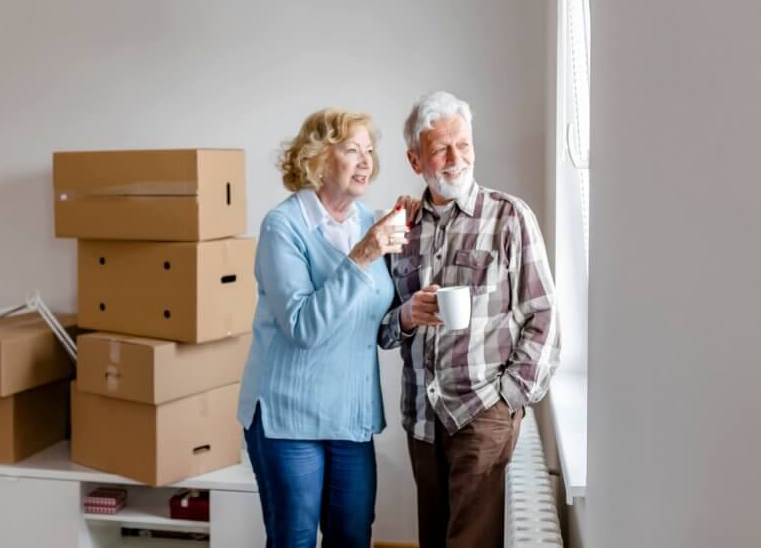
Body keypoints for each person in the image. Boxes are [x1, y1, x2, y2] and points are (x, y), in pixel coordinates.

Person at [378, 91, 561, 548]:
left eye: (463, 144)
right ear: (415, 159)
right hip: (421, 417)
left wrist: (508, 399)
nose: (455, 158)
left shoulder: (510, 217)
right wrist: (406, 315)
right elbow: (379, 327)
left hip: (482, 414)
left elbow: (545, 318)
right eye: (440, 148)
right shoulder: (401, 227)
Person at [238, 108, 410, 548]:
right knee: (293, 540)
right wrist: (364, 256)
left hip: (350, 414)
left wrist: (410, 313)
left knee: (352, 537)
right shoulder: (284, 226)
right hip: (289, 416)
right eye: (352, 149)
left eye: (369, 150)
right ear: (317, 158)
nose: (366, 160)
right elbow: (303, 327)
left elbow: (372, 313)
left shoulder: (370, 221)